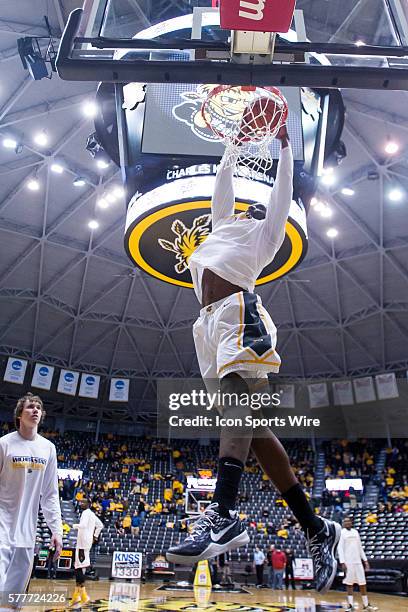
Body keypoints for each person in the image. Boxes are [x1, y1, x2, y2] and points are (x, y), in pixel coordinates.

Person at [166, 114, 340, 593]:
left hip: (240, 312)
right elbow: (222, 186)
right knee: (254, 432)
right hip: (209, 326)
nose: (245, 209)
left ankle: (221, 512)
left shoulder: (265, 235)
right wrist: (232, 145)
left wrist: (283, 148)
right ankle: (316, 528)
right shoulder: (222, 225)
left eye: (252, 208)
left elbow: (281, 195)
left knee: (238, 415)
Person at [0, 393, 62, 602]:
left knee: (12, 599)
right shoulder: (4, 444)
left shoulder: (48, 448)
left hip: (27, 533)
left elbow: (51, 494)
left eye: (38, 407)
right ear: (19, 415)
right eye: (29, 407)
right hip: (1, 526)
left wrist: (57, 530)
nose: (35, 410)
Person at [338, 517, 377, 611]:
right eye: (345, 521)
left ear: (351, 522)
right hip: (348, 562)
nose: (346, 522)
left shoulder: (356, 532)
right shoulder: (341, 533)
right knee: (349, 583)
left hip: (358, 562)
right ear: (343, 523)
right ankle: (350, 605)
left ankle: (366, 605)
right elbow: (340, 549)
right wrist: (342, 562)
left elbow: (360, 548)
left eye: (348, 521)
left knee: (362, 583)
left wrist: (365, 561)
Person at [70, 498, 103, 607]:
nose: (81, 503)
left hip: (82, 543)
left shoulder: (85, 513)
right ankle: (77, 595)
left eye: (83, 502)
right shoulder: (92, 514)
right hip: (86, 543)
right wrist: (95, 536)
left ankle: (82, 595)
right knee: (80, 567)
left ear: (88, 504)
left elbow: (83, 526)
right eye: (80, 502)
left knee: (79, 568)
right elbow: (100, 525)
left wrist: (72, 526)